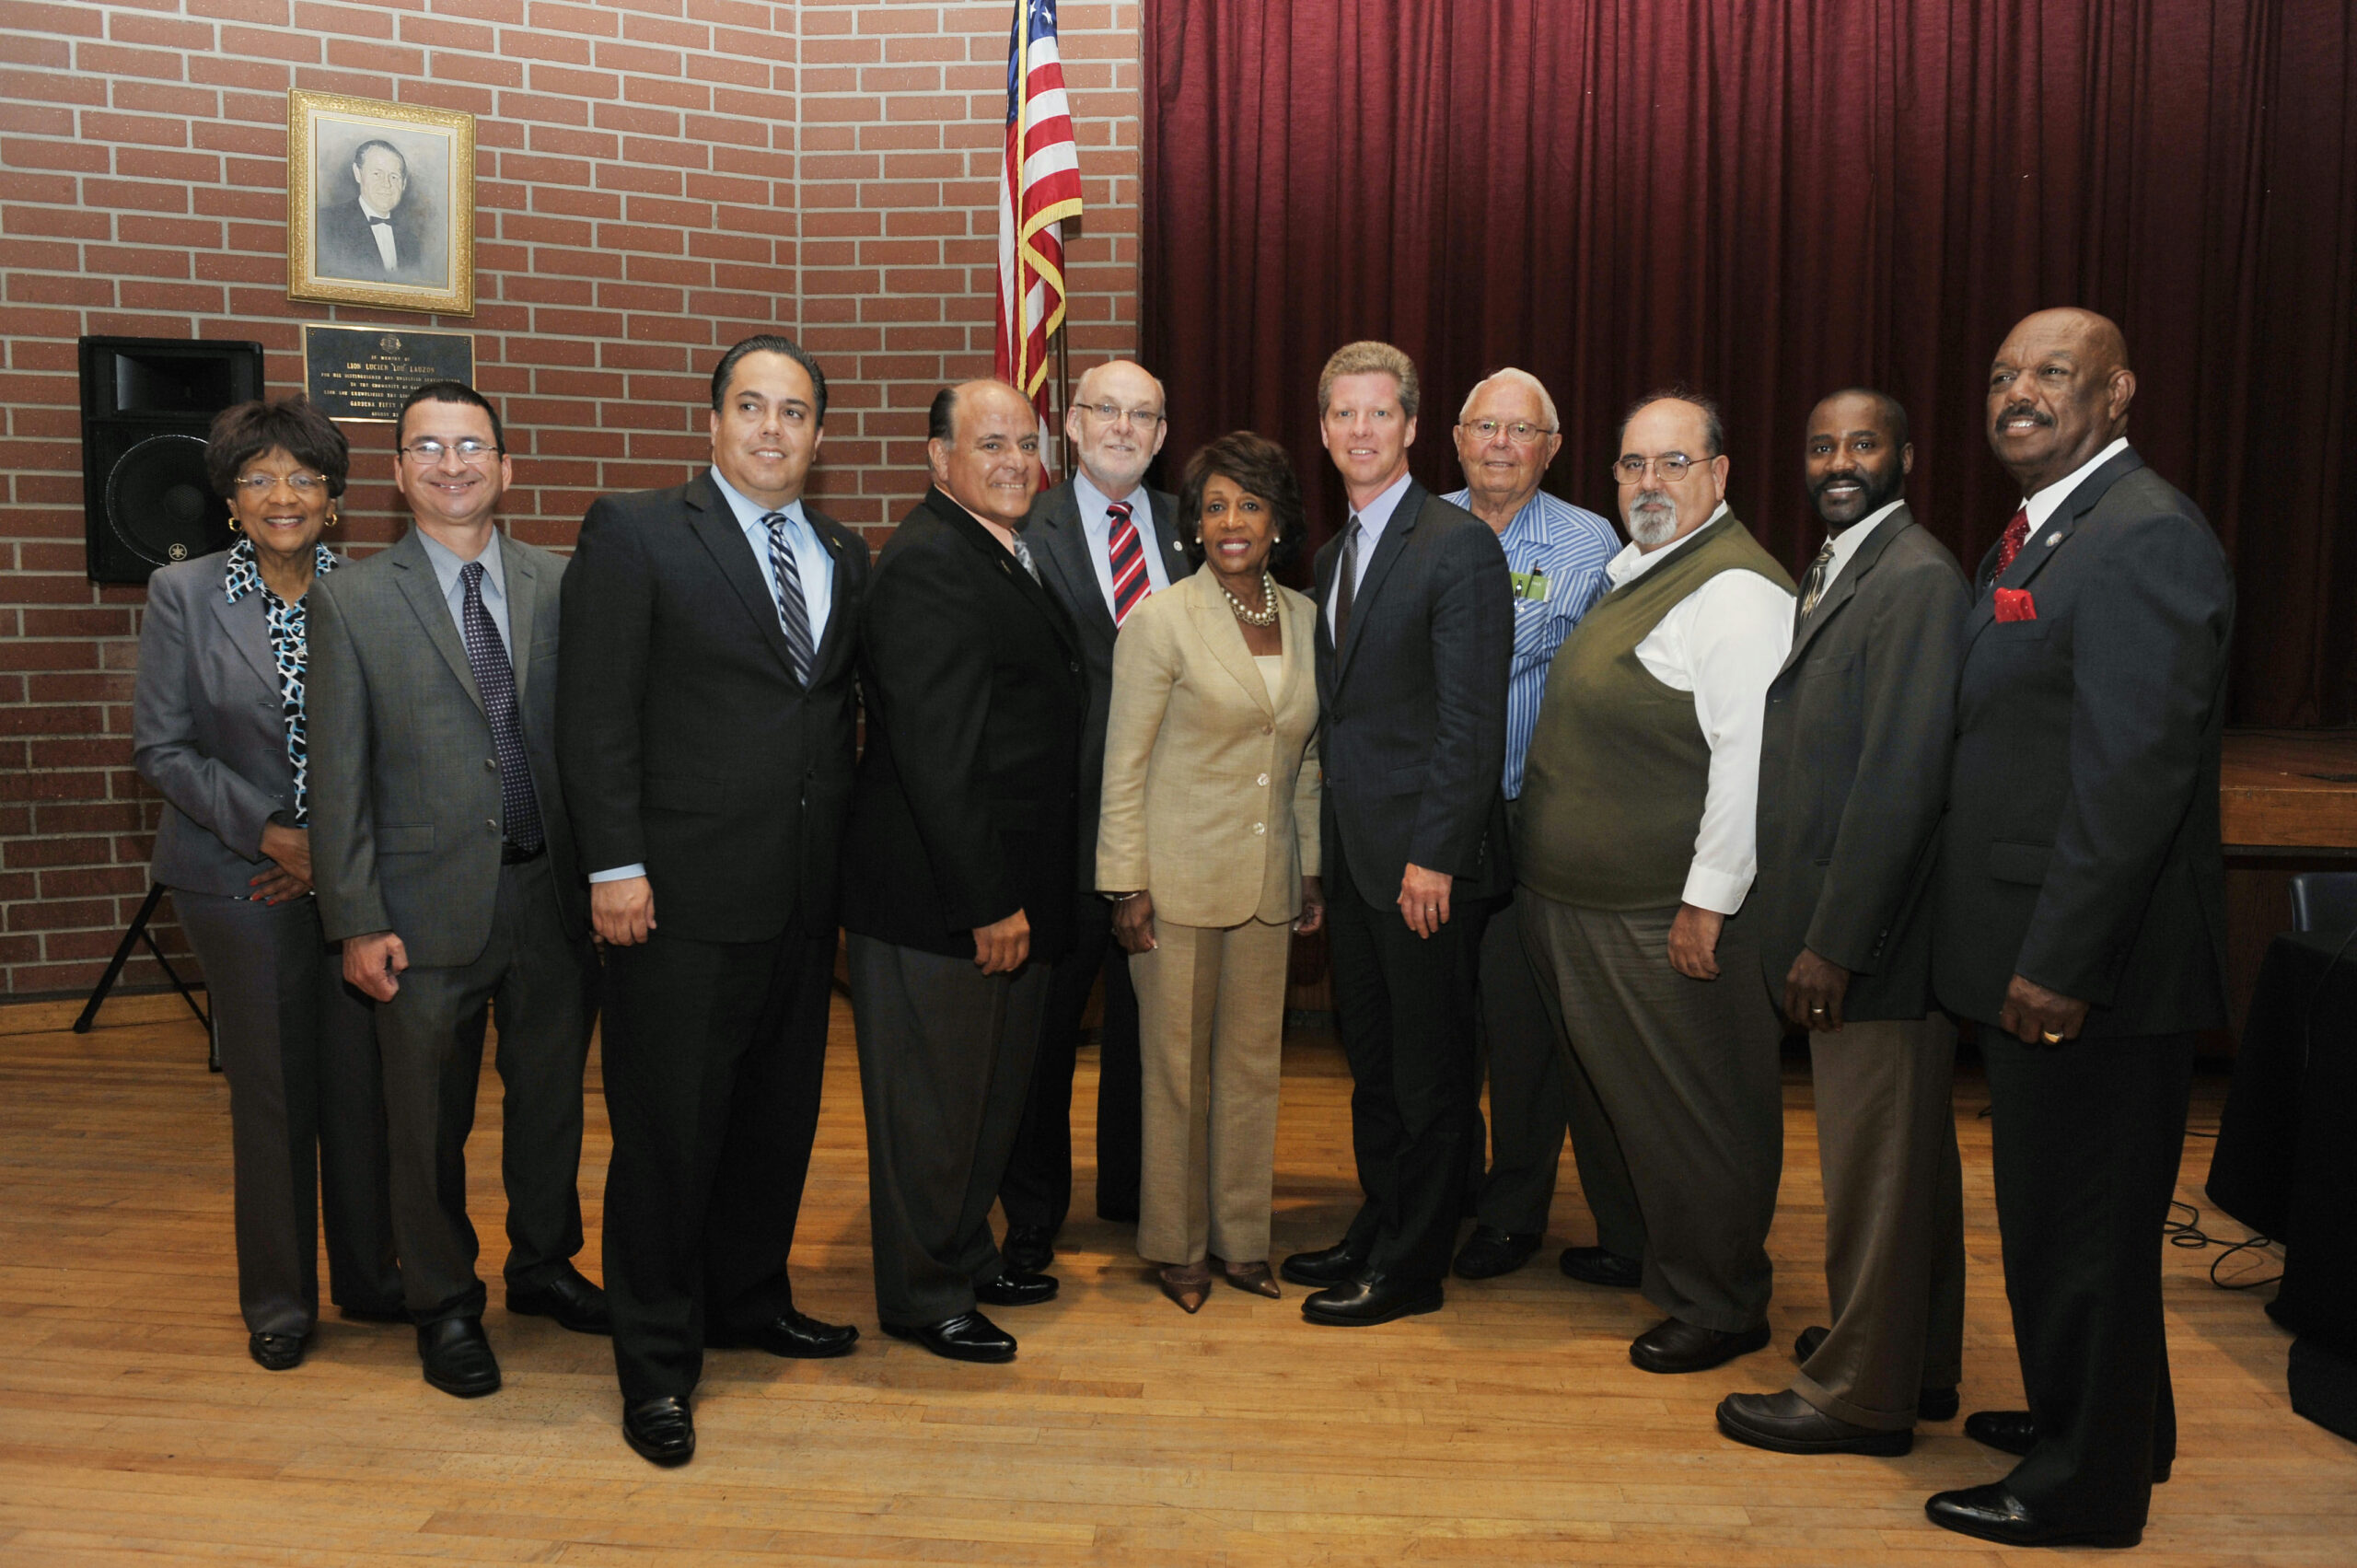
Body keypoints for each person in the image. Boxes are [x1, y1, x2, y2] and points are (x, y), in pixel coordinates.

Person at [1923, 308, 2233, 1550]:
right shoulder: (2058, 528)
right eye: (2003, 373)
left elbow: (2133, 777)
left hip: (2085, 966)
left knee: (2078, 1226)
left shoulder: (2143, 536)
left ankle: (2083, 1489)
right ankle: (2111, 1421)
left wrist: (2060, 959)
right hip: (2045, 943)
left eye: (2054, 373)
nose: (2020, 392)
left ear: (2119, 394)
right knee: (2072, 1220)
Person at [557, 335, 868, 1468]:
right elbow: (594, 712)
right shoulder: (635, 531)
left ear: (819, 436)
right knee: (666, 1138)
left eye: (794, 411)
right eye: (752, 406)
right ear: (713, 422)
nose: (773, 429)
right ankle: (655, 1361)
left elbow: (827, 722)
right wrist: (613, 865)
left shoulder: (843, 546)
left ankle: (747, 1295)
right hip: (672, 899)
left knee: (772, 1124)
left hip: (796, 898)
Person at [308, 382, 603, 1405]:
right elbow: (335, 778)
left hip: (547, 895)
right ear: (396, 473)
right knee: (426, 1120)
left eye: (471, 445)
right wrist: (354, 916)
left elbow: (592, 743)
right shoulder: (349, 599)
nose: (451, 463)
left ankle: (543, 1263)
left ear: (507, 467)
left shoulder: (561, 582)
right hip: (418, 914)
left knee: (552, 1100)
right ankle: (441, 1296)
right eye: (425, 447)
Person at [1515, 390, 1794, 1374]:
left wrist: (1706, 901)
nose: (1648, 482)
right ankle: (1642, 1247)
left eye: (1673, 463)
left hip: (1656, 911)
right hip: (1582, 903)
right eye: (1632, 464)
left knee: (1692, 1108)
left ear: (1720, 473)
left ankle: (1720, 1300)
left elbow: (1750, 759)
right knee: (1616, 1097)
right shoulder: (1644, 571)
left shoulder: (1734, 591)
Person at [1714, 389, 1968, 1458]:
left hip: (1875, 942)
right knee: (1907, 1171)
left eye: (1863, 443)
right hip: (1858, 930)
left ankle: (1861, 1397)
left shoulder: (1912, 579)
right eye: (1821, 443)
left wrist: (1833, 941)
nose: (1838, 460)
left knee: (1872, 1170)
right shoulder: (1841, 560)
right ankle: (1912, 1355)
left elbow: (1900, 780)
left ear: (1905, 454)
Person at [131, 396, 402, 1372]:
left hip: (353, 878)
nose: (281, 494)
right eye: (258, 478)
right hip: (232, 879)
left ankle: (375, 1277)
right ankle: (282, 1298)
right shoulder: (185, 594)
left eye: (303, 477)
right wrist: (271, 837)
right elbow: (160, 746)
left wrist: (327, 853)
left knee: (364, 1086)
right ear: (230, 500)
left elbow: (395, 748)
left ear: (334, 499)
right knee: (275, 1089)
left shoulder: (376, 592)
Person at [841, 379, 1086, 1364]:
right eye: (990, 443)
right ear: (938, 458)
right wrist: (988, 900)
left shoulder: (998, 549)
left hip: (1003, 890)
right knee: (933, 1111)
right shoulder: (929, 565)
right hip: (941, 901)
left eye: (1026, 443)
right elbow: (939, 756)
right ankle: (921, 1290)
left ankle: (965, 1255)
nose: (1014, 460)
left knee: (983, 1100)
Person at [1280, 341, 1512, 1328]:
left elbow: (1469, 720)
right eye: (1343, 414)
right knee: (1370, 1061)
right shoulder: (1335, 554)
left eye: (1380, 414)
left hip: (1426, 868)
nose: (1360, 431)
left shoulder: (1455, 544)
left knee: (1428, 1071)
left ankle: (1414, 1263)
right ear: (1324, 428)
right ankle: (1382, 1218)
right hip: (1362, 862)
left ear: (1413, 428)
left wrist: (1434, 856)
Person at [1097, 433, 1325, 1312]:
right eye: (1215, 506)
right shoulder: (1160, 618)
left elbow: (1305, 757)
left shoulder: (1305, 618)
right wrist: (1126, 883)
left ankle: (1241, 1239)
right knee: (1175, 1071)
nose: (1232, 522)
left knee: (1250, 1072)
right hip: (1176, 882)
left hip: (1268, 882)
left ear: (1279, 521)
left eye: (1250, 505)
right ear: (1194, 524)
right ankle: (1177, 1244)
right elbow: (1124, 763)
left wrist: (1310, 868)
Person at [1438, 368, 1642, 1287]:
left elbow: (1612, 694)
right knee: (1439, 1021)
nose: (1499, 444)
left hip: (1532, 820)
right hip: (1432, 823)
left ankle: (1515, 1210)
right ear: (1455, 436)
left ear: (1551, 447)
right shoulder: (1420, 527)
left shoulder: (1590, 545)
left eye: (1521, 431)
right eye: (1484, 426)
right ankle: (1445, 1187)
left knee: (1522, 1029)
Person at [999, 359, 1194, 1271]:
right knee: (1041, 1036)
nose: (1122, 426)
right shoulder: (1017, 529)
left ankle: (1135, 1191)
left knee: (1153, 1029)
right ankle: (1032, 1217)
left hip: (1178, 825)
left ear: (1160, 436)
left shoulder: (1193, 532)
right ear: (1070, 424)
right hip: (1063, 828)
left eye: (1142, 415)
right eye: (1105, 409)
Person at [315, 139, 429, 284]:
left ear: (404, 184)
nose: (386, 184)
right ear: (358, 173)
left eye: (394, 177)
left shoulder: (411, 242)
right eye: (377, 174)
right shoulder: (325, 224)